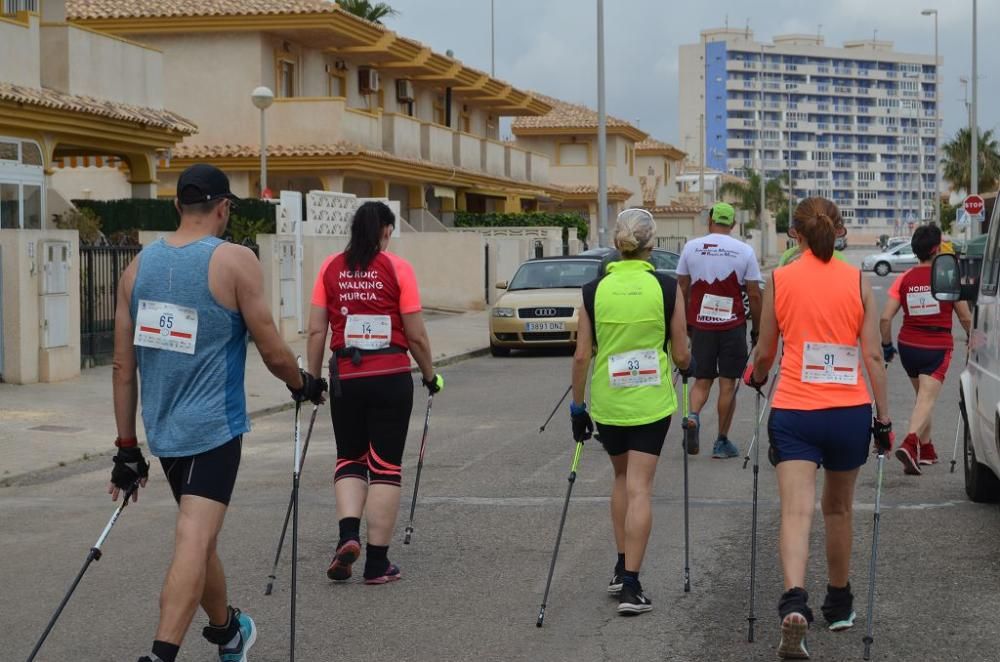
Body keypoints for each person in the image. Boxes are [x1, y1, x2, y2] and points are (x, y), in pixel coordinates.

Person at [109, 163, 327, 662]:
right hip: (214, 428)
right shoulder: (235, 260)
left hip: (162, 430)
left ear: (177, 207)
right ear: (224, 207)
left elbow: (123, 365)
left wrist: (127, 447)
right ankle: (168, 652)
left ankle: (228, 632)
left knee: (196, 536)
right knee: (195, 537)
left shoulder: (136, 268)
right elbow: (273, 350)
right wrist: (305, 384)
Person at [746, 197, 891, 659]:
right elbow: (872, 355)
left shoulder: (780, 279)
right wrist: (884, 420)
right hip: (848, 410)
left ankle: (794, 602)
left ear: (796, 235)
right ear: (840, 229)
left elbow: (766, 351)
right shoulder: (857, 280)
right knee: (839, 510)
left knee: (796, 511)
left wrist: (756, 376)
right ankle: (840, 602)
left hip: (795, 411)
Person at [307, 201, 443, 585]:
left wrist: (313, 380)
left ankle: (348, 535)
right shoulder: (399, 269)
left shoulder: (330, 267)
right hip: (390, 376)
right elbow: (415, 333)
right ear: (385, 230)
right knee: (385, 466)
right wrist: (431, 375)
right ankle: (377, 563)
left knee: (349, 458)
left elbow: (317, 330)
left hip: (345, 378)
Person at [570, 208, 692, 616]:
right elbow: (681, 350)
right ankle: (632, 586)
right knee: (641, 486)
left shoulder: (593, 289)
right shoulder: (667, 287)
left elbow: (582, 353)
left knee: (621, 478)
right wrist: (687, 365)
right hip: (650, 402)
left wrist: (577, 405)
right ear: (651, 245)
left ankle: (622, 566)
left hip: (608, 402)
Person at [880, 223, 972, 474]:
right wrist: (973, 338)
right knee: (927, 400)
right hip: (936, 347)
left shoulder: (904, 278)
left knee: (923, 399)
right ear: (936, 249)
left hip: (908, 347)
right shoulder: (947, 276)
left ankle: (927, 449)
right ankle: (911, 444)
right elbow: (964, 316)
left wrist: (887, 346)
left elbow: (886, 318)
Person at [676, 201, 762, 458]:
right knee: (727, 384)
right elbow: (755, 294)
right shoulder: (744, 251)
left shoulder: (691, 247)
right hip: (731, 325)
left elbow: (681, 287)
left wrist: (681, 325)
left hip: (700, 325)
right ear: (733, 225)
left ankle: (693, 416)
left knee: (702, 380)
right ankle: (721, 442)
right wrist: (756, 329)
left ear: (709, 221)